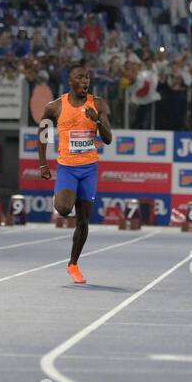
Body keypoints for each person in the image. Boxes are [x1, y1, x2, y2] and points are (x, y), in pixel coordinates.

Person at [37, 65, 112, 284]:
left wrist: (97, 120)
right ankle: (59, 198)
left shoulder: (97, 104)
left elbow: (108, 138)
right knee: (63, 208)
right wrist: (43, 165)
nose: (85, 81)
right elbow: (42, 132)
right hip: (67, 167)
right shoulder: (54, 107)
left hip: (89, 168)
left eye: (87, 77)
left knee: (83, 221)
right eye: (80, 77)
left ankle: (73, 264)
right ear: (70, 81)